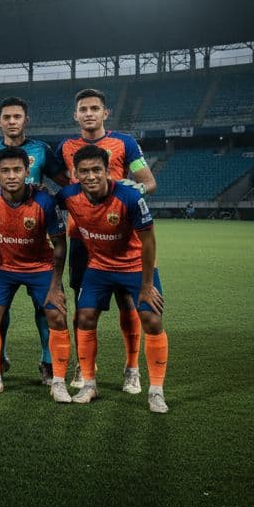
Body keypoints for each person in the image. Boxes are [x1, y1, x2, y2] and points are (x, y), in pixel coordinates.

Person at [55, 145, 170, 413]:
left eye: (97, 170)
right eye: (84, 171)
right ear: (75, 174)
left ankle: (156, 391)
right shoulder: (68, 196)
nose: (91, 176)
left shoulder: (129, 197)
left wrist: (146, 285)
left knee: (152, 319)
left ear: (108, 171)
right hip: (99, 266)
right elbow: (45, 203)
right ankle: (89, 384)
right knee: (84, 317)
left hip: (135, 266)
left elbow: (149, 241)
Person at [57, 88, 156, 394]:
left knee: (128, 302)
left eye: (94, 108)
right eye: (83, 109)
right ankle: (84, 365)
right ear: (75, 115)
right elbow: (64, 185)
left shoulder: (124, 142)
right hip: (81, 237)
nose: (89, 113)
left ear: (105, 113)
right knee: (83, 306)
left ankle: (132, 368)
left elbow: (149, 182)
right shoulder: (65, 147)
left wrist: (132, 189)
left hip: (120, 237)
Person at [0, 96, 69, 384]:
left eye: (17, 116)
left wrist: (51, 197)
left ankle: (48, 361)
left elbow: (65, 183)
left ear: (26, 120)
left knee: (45, 306)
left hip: (35, 240)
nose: (12, 121)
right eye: (7, 117)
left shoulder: (41, 150)